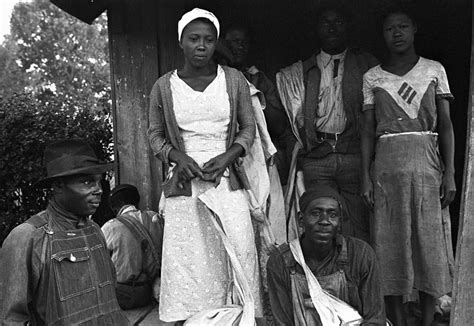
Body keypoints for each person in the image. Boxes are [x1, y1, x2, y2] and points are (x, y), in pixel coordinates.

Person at [147, 8, 262, 323]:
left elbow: (247, 129)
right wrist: (176, 157)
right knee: (191, 257)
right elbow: (155, 135)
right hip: (185, 185)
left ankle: (238, 317)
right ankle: (193, 318)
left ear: (216, 44)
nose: (201, 46)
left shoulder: (233, 80)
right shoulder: (164, 86)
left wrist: (228, 156)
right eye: (194, 39)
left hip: (225, 179)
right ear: (181, 42)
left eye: (209, 40)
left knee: (238, 247)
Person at [360, 7, 455, 326]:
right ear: (382, 35)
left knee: (427, 242)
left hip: (427, 166)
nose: (396, 33)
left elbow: (446, 125)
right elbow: (367, 132)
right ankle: (398, 320)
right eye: (389, 28)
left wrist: (450, 173)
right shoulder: (373, 77)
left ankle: (428, 319)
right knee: (390, 243)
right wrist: (365, 177)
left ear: (415, 28)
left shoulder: (433, 70)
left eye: (402, 26)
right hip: (386, 170)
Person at [276, 5, 378, 243]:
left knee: (360, 221)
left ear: (348, 27)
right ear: (316, 29)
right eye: (325, 23)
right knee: (321, 224)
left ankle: (355, 275)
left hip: (354, 155)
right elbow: (289, 120)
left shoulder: (367, 65)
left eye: (338, 22)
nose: (332, 28)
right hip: (317, 158)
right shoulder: (302, 71)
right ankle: (326, 277)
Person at [0, 139, 128, 325]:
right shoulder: (28, 237)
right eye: (87, 182)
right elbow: (11, 319)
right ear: (58, 186)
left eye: (99, 182)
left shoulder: (94, 230)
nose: (98, 190)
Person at [266, 185, 386, 325]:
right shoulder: (281, 261)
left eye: (332, 215)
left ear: (340, 223)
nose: (324, 221)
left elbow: (375, 319)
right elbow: (282, 322)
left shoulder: (360, 255)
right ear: (301, 220)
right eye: (316, 213)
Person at [222, 24, 297, 182]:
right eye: (235, 41)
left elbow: (278, 125)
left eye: (244, 42)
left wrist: (256, 93)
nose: (240, 47)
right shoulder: (214, 78)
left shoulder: (258, 78)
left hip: (253, 152)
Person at [102, 184, 163, 310]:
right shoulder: (155, 219)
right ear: (137, 202)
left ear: (114, 208)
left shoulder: (110, 227)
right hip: (147, 293)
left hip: (120, 296)